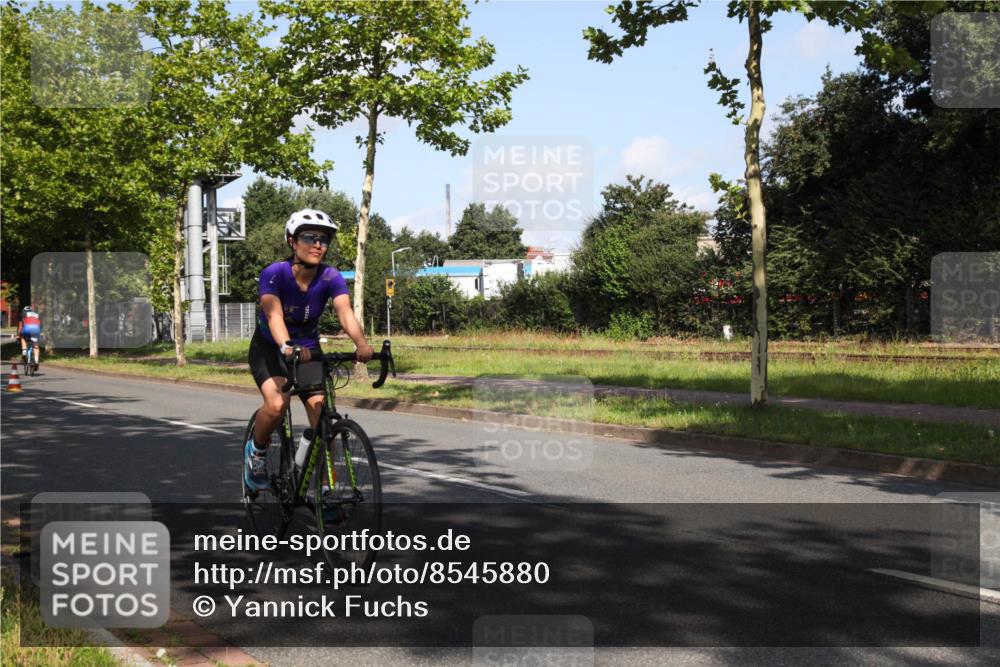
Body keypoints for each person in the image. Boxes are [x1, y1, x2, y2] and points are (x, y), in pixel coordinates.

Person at [245, 209, 374, 491]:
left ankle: (326, 490)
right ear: (292, 241)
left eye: (324, 240)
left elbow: (345, 313)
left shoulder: (330, 277)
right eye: (310, 237)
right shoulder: (274, 274)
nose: (318, 244)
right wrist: (286, 346)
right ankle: (256, 452)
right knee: (277, 404)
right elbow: (274, 316)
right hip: (270, 347)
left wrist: (361, 343)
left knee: (322, 418)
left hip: (308, 349)